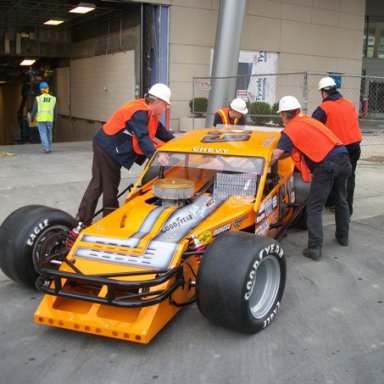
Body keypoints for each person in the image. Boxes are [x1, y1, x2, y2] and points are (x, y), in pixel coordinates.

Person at [76, 83, 175, 225]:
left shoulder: (149, 113)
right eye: (166, 105)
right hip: (107, 148)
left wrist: (180, 141)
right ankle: (110, 222)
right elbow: (142, 137)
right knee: (110, 185)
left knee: (98, 183)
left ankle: (82, 220)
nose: (166, 108)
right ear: (158, 101)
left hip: (104, 144)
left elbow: (162, 132)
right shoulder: (140, 112)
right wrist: (156, 156)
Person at [270, 96, 352, 261]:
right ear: (297, 111)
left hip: (327, 165)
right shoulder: (307, 120)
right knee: (341, 199)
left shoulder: (290, 130)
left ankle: (314, 248)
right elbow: (291, 150)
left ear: (284, 115)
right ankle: (343, 237)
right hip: (344, 158)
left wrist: (262, 166)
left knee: (314, 207)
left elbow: (277, 154)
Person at [312, 77, 363, 215]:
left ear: (323, 92)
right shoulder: (349, 103)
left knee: (329, 174)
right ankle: (347, 208)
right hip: (354, 146)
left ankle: (330, 202)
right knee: (349, 176)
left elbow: (313, 128)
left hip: (337, 149)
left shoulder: (323, 108)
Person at [30, 81, 57, 153]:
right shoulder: (53, 99)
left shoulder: (38, 98)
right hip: (49, 119)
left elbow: (34, 109)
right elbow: (55, 111)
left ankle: (46, 148)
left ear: (40, 89)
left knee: (43, 133)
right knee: (49, 133)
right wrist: (55, 120)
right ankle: (49, 147)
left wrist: (32, 118)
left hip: (41, 119)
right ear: (48, 88)